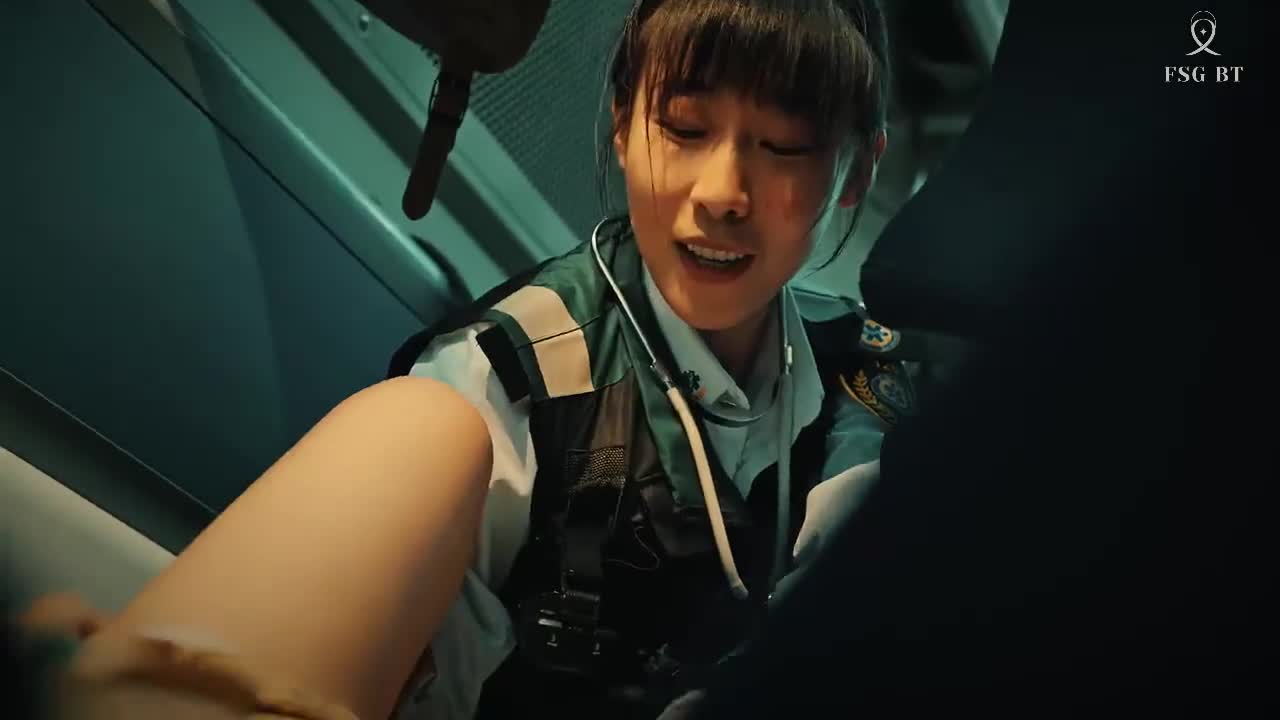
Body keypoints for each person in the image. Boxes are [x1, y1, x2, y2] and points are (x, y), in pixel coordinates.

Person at [19, 1, 908, 718]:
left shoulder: (876, 375)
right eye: (682, 128)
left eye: (783, 148)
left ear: (856, 174)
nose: (721, 193)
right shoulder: (495, 388)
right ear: (621, 123)